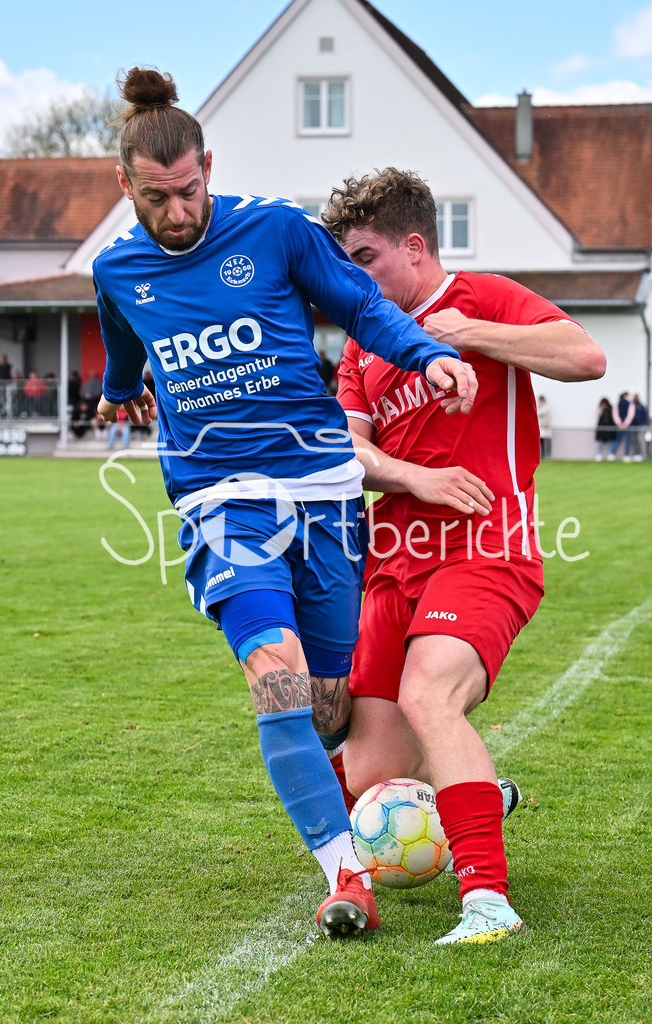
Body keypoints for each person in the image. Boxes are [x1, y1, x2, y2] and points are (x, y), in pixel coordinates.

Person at [93, 69, 479, 939]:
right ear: (127, 187)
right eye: (158, 199)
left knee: (328, 700)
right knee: (276, 679)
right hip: (220, 498)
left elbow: (364, 307)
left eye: (190, 191)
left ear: (208, 169)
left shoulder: (272, 228)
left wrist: (427, 357)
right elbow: (123, 352)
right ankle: (348, 878)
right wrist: (124, 391)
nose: (179, 212)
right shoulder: (118, 269)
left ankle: (430, 792)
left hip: (322, 490)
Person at [321, 167, 606, 945]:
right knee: (372, 785)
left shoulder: (482, 298)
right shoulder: (360, 347)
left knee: (428, 696)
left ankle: (487, 902)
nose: (353, 276)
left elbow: (586, 358)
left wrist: (468, 336)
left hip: (488, 547)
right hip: (394, 563)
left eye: (365, 257)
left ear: (415, 247)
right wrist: (418, 477)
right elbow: (351, 451)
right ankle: (482, 791)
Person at [611, 391, 635, 461]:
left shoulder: (618, 403)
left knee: (619, 440)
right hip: (626, 425)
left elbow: (615, 414)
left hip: (622, 425)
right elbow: (630, 414)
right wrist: (625, 423)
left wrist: (620, 423)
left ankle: (612, 454)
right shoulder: (629, 404)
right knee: (622, 440)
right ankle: (625, 455)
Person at [631, 393, 648, 461]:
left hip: (640, 425)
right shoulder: (632, 405)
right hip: (633, 426)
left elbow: (645, 415)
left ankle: (641, 454)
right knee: (634, 440)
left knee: (640, 440)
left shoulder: (641, 406)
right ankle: (635, 454)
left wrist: (643, 423)